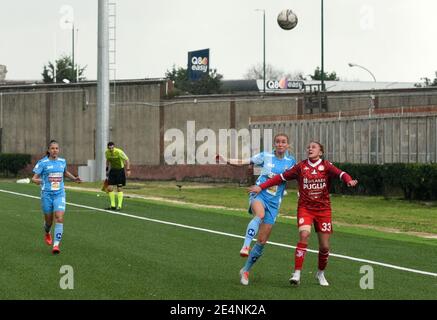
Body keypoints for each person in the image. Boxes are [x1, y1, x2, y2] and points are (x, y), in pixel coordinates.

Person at [249, 141, 358, 286]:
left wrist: (349, 180)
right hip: (305, 208)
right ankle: (297, 273)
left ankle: (320, 273)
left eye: (314, 147)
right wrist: (261, 187)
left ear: (320, 152)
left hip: (323, 210)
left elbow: (341, 174)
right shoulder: (301, 167)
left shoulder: (326, 165)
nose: (310, 149)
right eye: (308, 147)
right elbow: (280, 177)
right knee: (304, 235)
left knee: (324, 246)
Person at [220, 133, 296, 286]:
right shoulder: (266, 156)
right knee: (259, 214)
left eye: (283, 142)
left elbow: (298, 177)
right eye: (277, 142)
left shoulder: (291, 162)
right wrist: (227, 160)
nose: (280, 144)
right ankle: (246, 245)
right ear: (274, 144)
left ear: (288, 145)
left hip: (274, 203)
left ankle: (246, 270)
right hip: (259, 193)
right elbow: (244, 161)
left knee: (262, 241)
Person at [31, 140, 82, 254]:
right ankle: (47, 232)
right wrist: (41, 181)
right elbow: (33, 178)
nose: (55, 150)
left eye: (57, 148)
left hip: (59, 194)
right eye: (53, 148)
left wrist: (74, 179)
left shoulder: (62, 161)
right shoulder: (42, 163)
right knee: (49, 222)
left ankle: (56, 245)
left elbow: (65, 172)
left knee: (59, 217)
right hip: (47, 195)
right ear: (49, 150)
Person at [105, 142, 131, 210]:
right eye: (109, 148)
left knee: (119, 188)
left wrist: (128, 170)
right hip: (112, 171)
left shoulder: (119, 152)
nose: (111, 149)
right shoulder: (107, 153)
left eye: (112, 148)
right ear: (108, 148)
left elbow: (127, 160)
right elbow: (108, 160)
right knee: (110, 188)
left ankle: (119, 206)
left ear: (114, 147)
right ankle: (113, 205)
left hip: (120, 171)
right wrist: (107, 169)